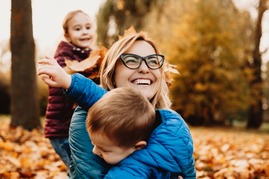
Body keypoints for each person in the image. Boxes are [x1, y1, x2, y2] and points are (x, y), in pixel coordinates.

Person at [38, 29, 196, 178]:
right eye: (132, 60)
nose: (144, 68)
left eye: (152, 61)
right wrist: (68, 81)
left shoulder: (168, 124)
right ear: (112, 72)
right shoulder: (92, 118)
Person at [43, 9, 96, 168]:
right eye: (78, 29)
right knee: (78, 170)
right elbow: (68, 85)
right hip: (63, 131)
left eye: (88, 27)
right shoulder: (63, 59)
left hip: (78, 129)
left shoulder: (89, 56)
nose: (84, 32)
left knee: (85, 169)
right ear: (67, 35)